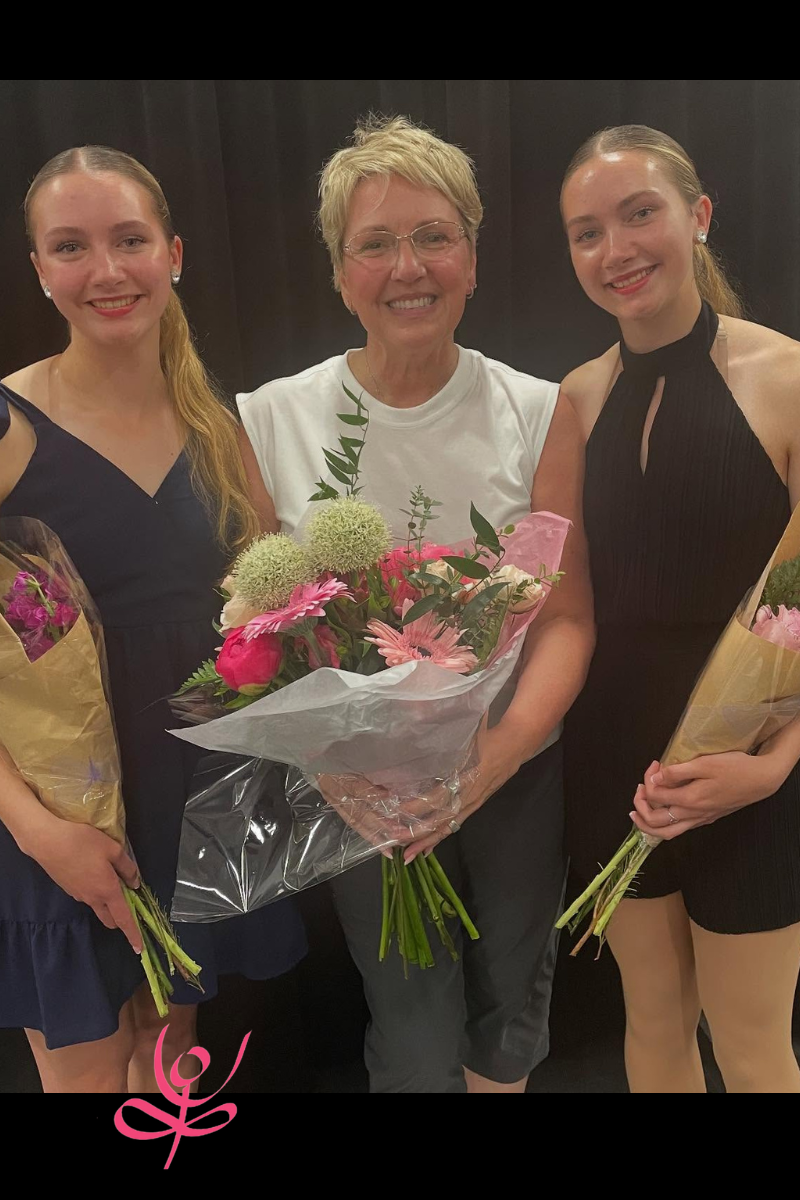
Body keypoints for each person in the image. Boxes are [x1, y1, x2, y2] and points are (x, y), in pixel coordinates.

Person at [238, 115, 595, 1093]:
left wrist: (489, 761)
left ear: (472, 258)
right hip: (359, 782)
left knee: (510, 1000)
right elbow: (255, 626)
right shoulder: (268, 421)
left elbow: (562, 616)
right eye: (375, 243)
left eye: (434, 235)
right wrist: (335, 764)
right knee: (407, 1015)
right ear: (337, 268)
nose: (408, 266)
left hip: (511, 761)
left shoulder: (536, 408)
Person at [0, 146, 306, 1093]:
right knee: (88, 1076)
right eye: (71, 247)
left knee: (172, 1076)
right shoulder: (9, 426)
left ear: (173, 253)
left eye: (129, 240)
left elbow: (272, 613)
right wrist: (39, 831)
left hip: (192, 802)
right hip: (58, 812)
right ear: (41, 272)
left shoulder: (219, 424)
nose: (107, 270)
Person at [561, 124, 800, 1093]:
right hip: (616, 766)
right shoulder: (574, 401)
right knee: (652, 1026)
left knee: (749, 1046)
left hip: (756, 775)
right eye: (585, 231)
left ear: (696, 216)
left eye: (637, 213)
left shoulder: (787, 378)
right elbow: (566, 608)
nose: (614, 249)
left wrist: (776, 765)